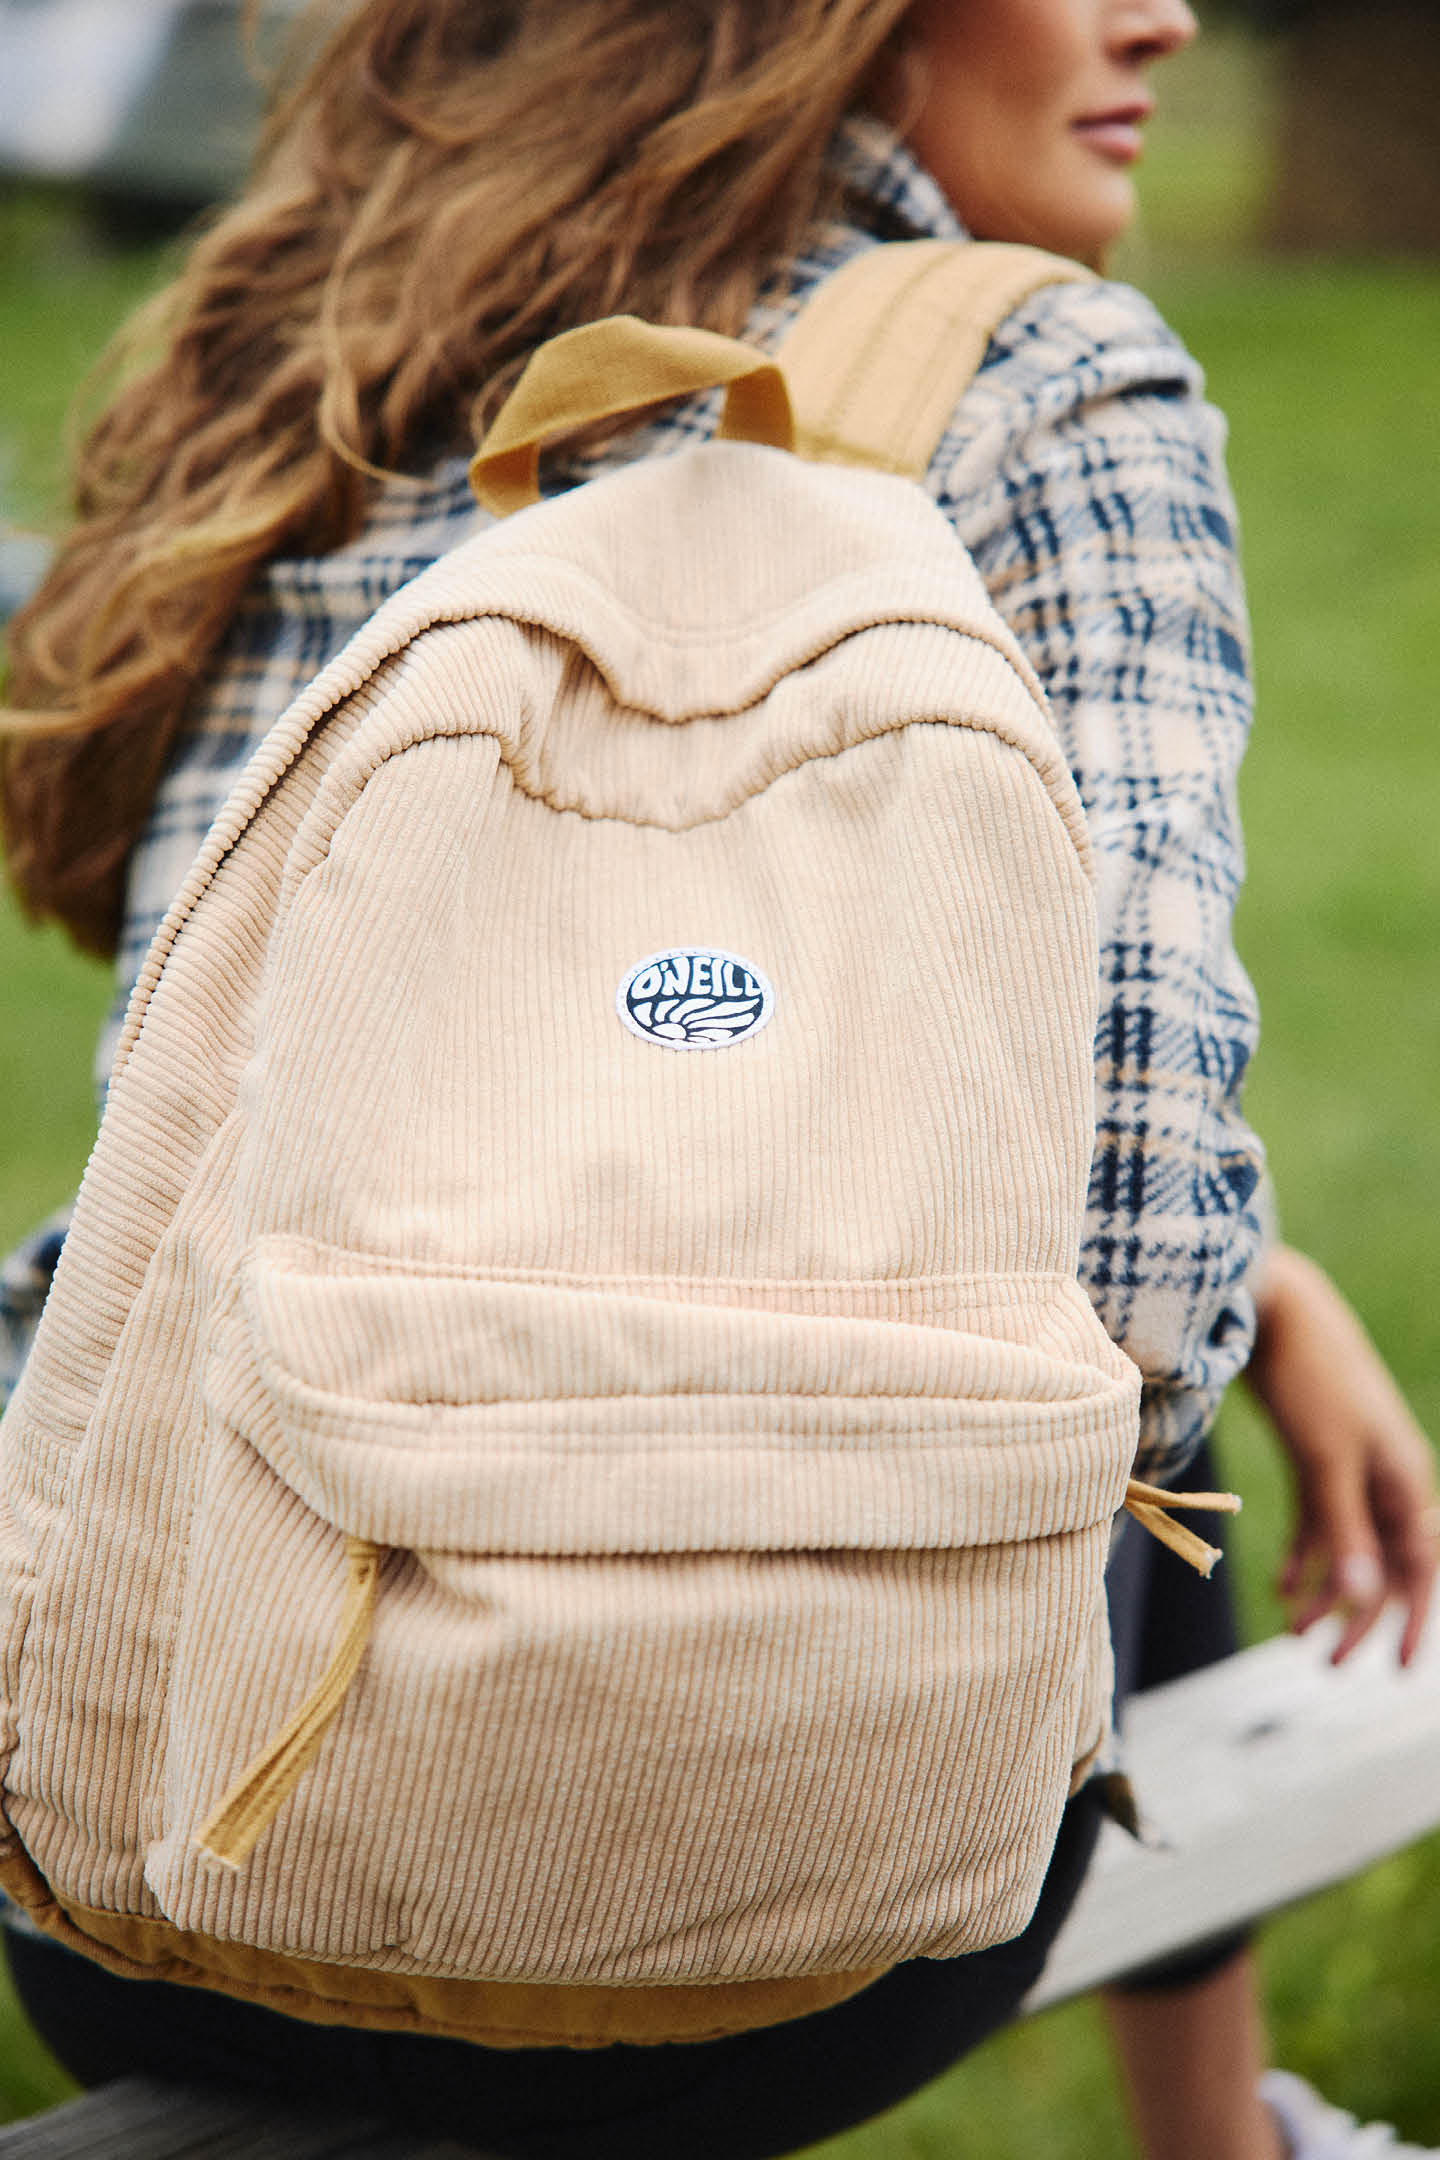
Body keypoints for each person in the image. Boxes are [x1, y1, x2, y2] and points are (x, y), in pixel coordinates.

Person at [0, 2, 1434, 2155]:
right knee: (1114, 1362)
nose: (1172, 10)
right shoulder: (1052, 384)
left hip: (151, 1883)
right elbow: (1142, 1266)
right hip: (805, 1944)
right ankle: (1229, 2146)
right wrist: (1234, 1302)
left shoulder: (345, 353)